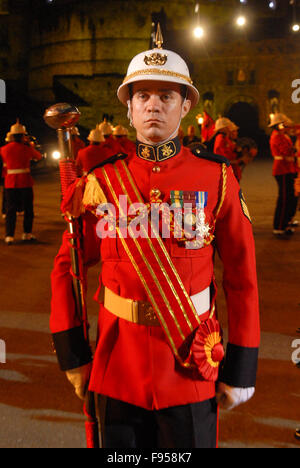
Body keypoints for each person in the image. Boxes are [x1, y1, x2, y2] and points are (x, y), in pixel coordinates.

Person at [50, 35, 260, 449]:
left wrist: (241, 366)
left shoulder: (216, 177)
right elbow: (69, 265)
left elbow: (241, 276)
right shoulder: (102, 182)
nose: (153, 104)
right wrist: (73, 355)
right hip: (116, 363)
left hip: (190, 364)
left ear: (185, 106)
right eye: (142, 94)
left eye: (166, 94)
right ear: (128, 108)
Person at [1, 120, 42, 245]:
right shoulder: (27, 148)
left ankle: (9, 235)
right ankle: (26, 233)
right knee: (28, 209)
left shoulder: (4, 149)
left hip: (10, 182)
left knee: (10, 210)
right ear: (23, 136)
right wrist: (30, 146)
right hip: (25, 181)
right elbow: (38, 157)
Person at [269, 113, 298, 237]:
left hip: (288, 169)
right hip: (282, 170)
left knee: (290, 198)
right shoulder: (277, 137)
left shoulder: (282, 135)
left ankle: (286, 222)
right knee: (285, 199)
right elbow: (286, 151)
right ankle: (279, 226)